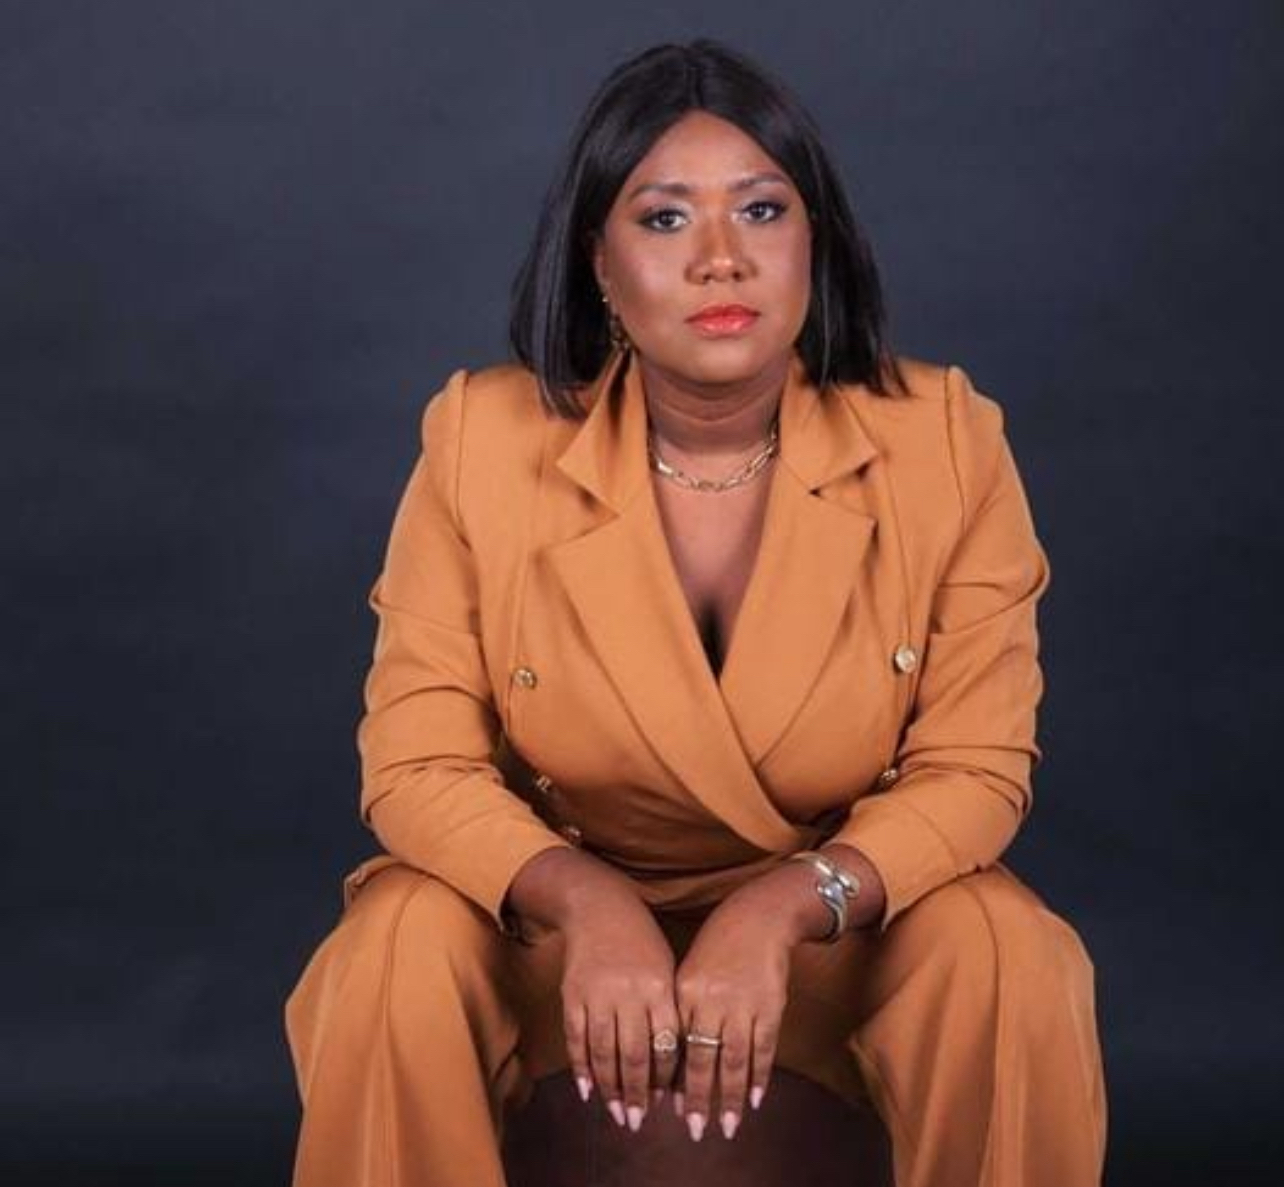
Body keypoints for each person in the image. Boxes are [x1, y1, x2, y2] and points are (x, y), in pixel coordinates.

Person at [283, 38, 1108, 1187]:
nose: (722, 258)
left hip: (833, 943)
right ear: (599, 262)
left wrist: (787, 906)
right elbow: (414, 764)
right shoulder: (480, 439)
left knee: (1008, 948)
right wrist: (585, 903)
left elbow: (977, 766)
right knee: (394, 945)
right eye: (665, 218)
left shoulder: (948, 442)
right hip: (556, 941)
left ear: (815, 241)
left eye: (762, 210)